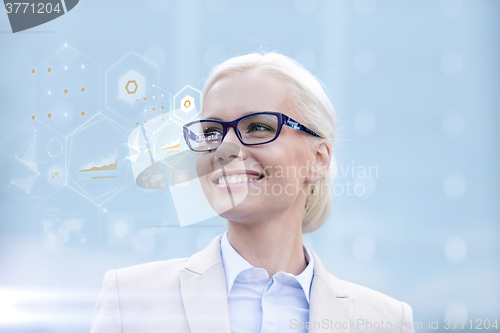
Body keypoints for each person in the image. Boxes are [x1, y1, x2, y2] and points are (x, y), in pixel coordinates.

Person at [90, 52, 415, 333]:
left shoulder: (384, 322)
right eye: (212, 132)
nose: (226, 149)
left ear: (318, 159)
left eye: (258, 127)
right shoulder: (130, 299)